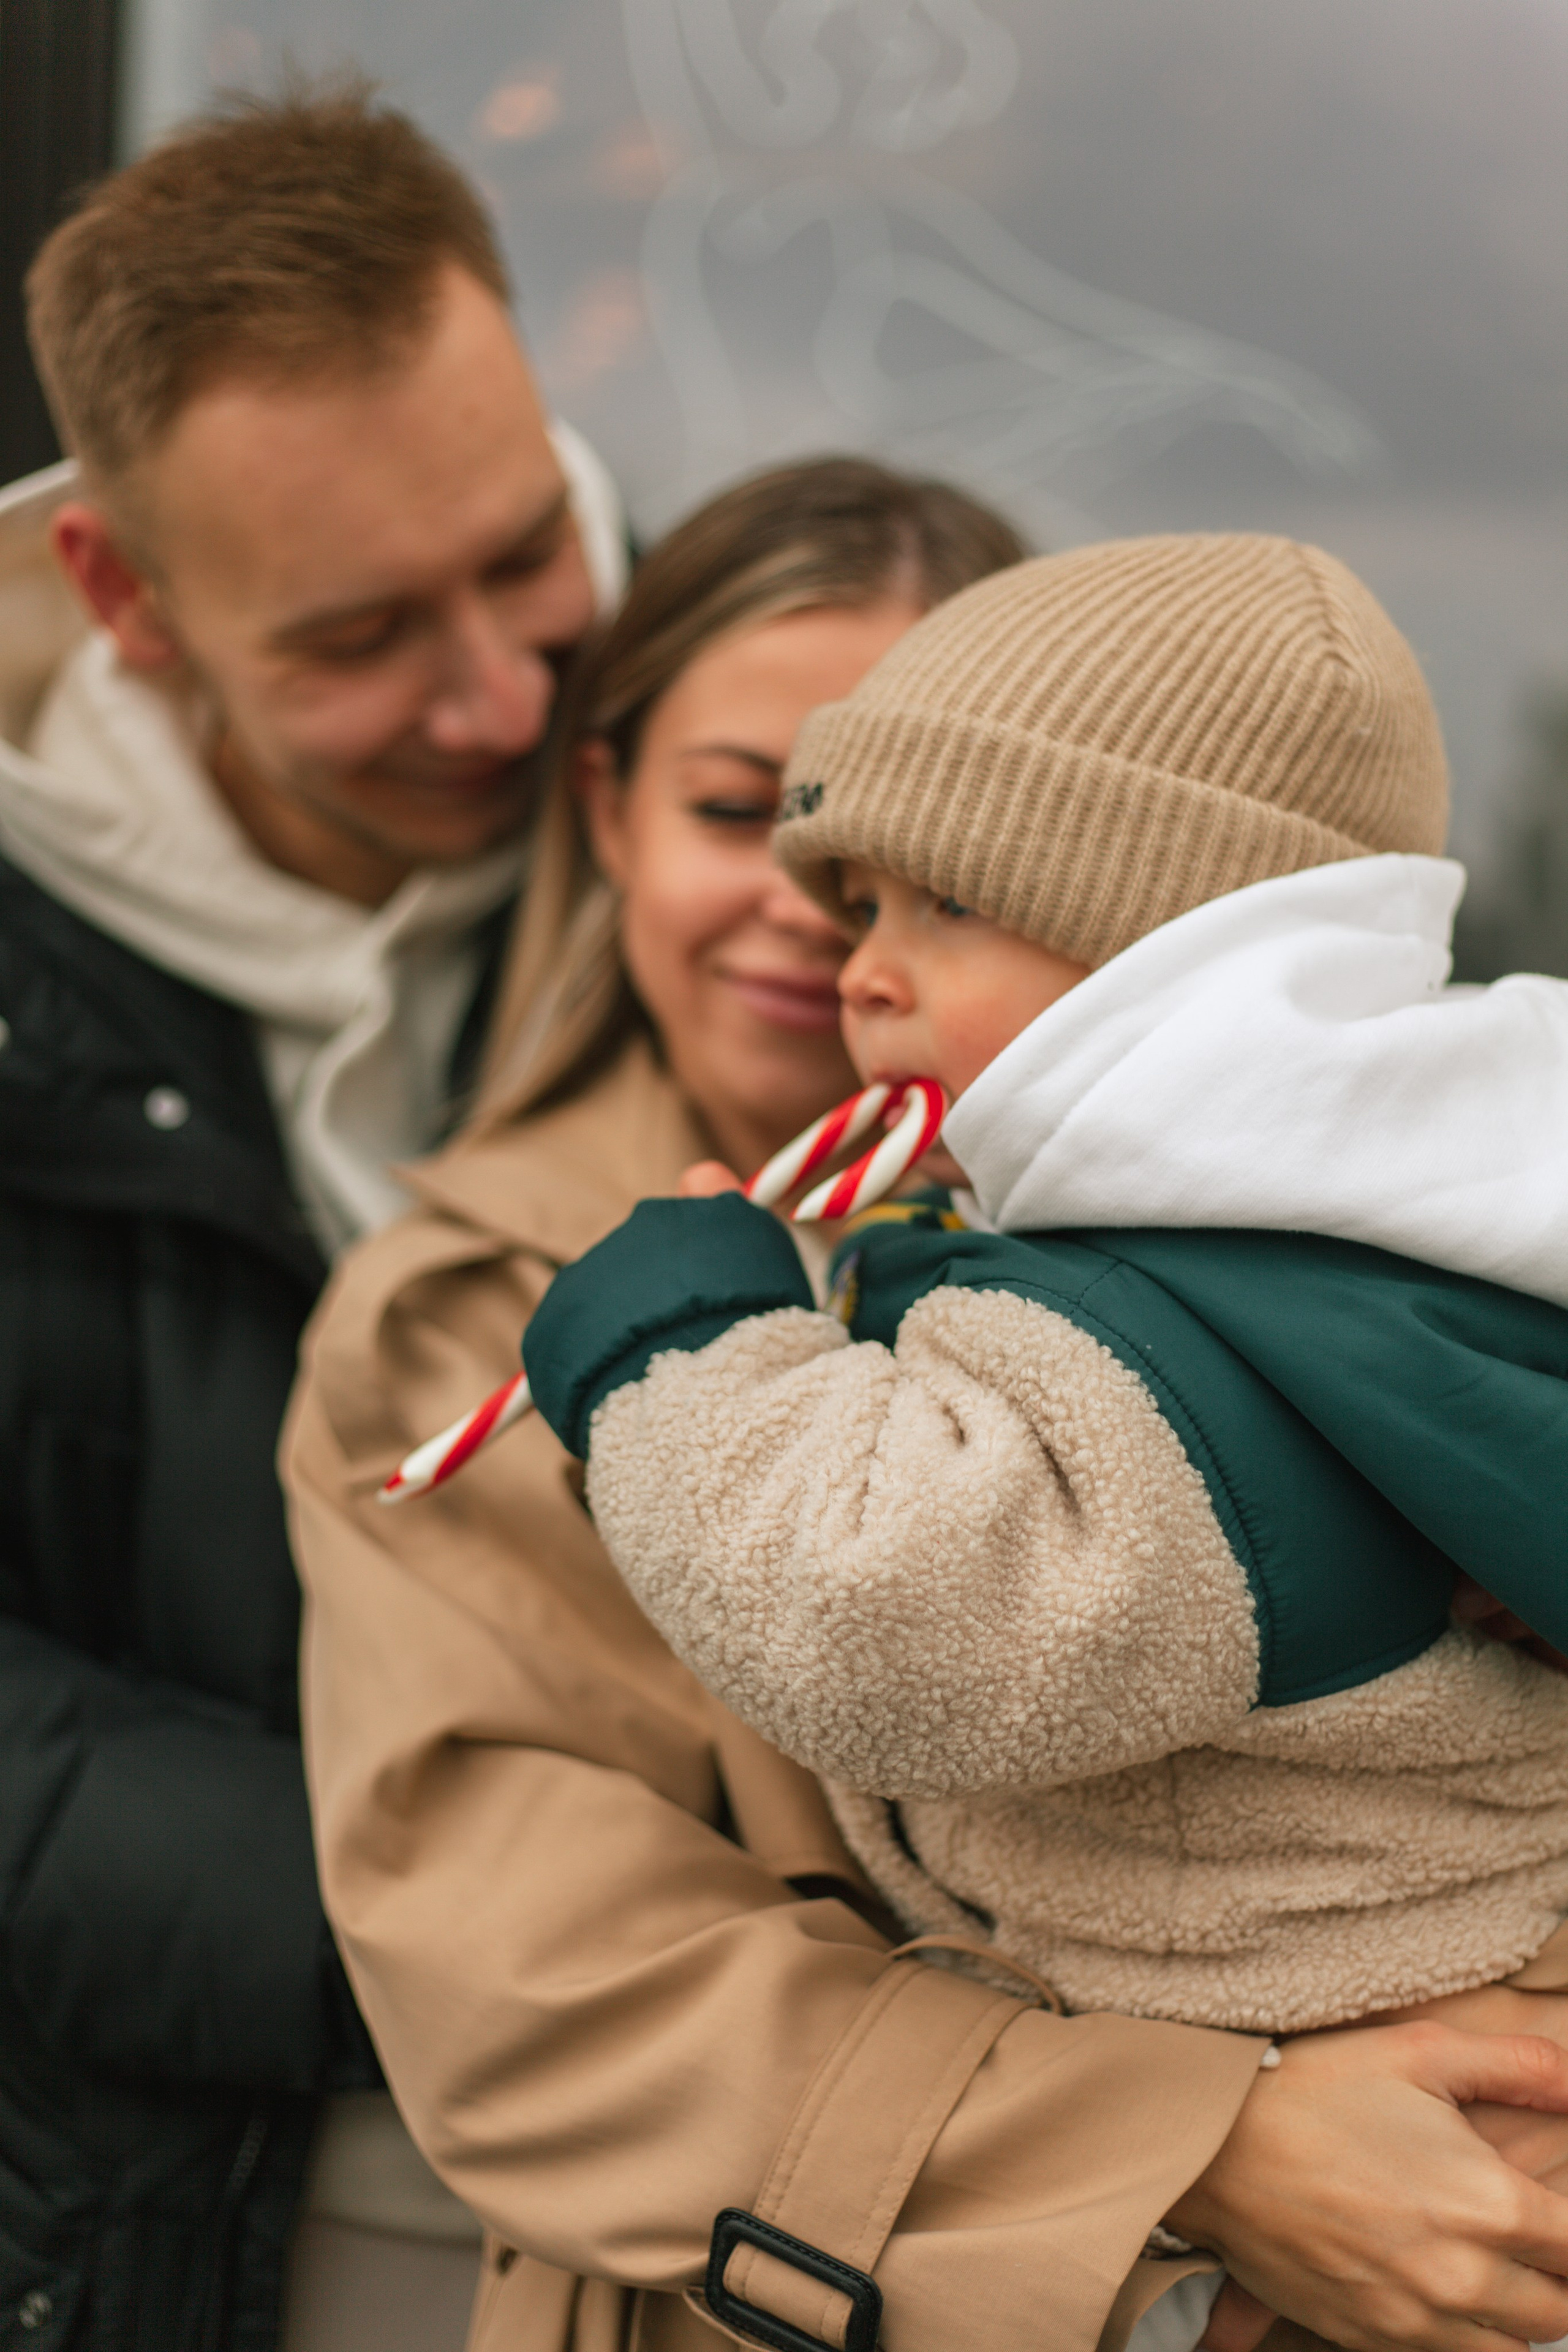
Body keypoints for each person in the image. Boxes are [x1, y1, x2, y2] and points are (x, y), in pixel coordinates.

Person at [287, 493, 1568, 2352]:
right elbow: (540, 1992)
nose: (834, 945)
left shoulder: (1293, 1262)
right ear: (604, 812)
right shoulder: (467, 1310)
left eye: (950, 884)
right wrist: (1196, 2157)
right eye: (758, 822)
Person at [0, 84, 624, 2351]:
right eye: (358, 636)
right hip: (185, 2229)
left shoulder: (767, 804)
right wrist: (517, 1927)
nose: (500, 694)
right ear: (122, 599)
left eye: (525, 547)